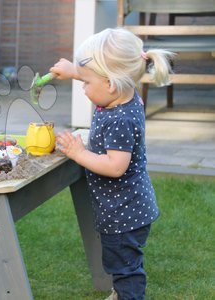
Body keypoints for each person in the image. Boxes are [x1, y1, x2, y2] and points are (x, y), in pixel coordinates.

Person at [51, 28, 174, 300]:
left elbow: (115, 166)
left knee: (125, 268)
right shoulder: (124, 95)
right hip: (127, 208)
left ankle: (128, 295)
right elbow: (98, 76)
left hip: (124, 214)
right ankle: (122, 292)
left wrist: (78, 152)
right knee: (124, 261)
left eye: (86, 83)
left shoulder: (120, 119)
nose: (83, 88)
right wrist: (75, 71)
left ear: (110, 85)